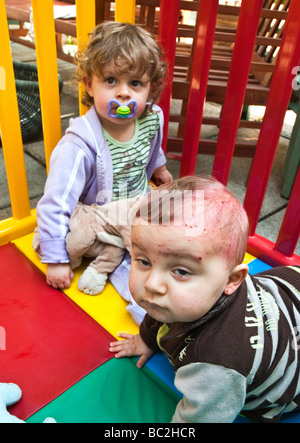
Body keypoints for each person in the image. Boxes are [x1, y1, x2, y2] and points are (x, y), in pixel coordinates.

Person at [109, 175, 300, 423]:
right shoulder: (180, 298)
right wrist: (146, 339)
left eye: (181, 271)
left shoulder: (218, 363)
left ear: (232, 280)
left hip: (285, 377)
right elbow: (158, 313)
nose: (152, 284)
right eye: (144, 261)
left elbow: (200, 418)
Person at [35, 22, 172, 291]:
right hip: (100, 220)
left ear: (150, 88)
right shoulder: (77, 146)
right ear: (89, 85)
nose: (123, 92)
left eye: (136, 83)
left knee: (180, 221)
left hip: (137, 209)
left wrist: (160, 169)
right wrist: (56, 259)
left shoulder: (151, 119)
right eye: (111, 80)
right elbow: (55, 202)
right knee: (107, 247)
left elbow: (150, 148)